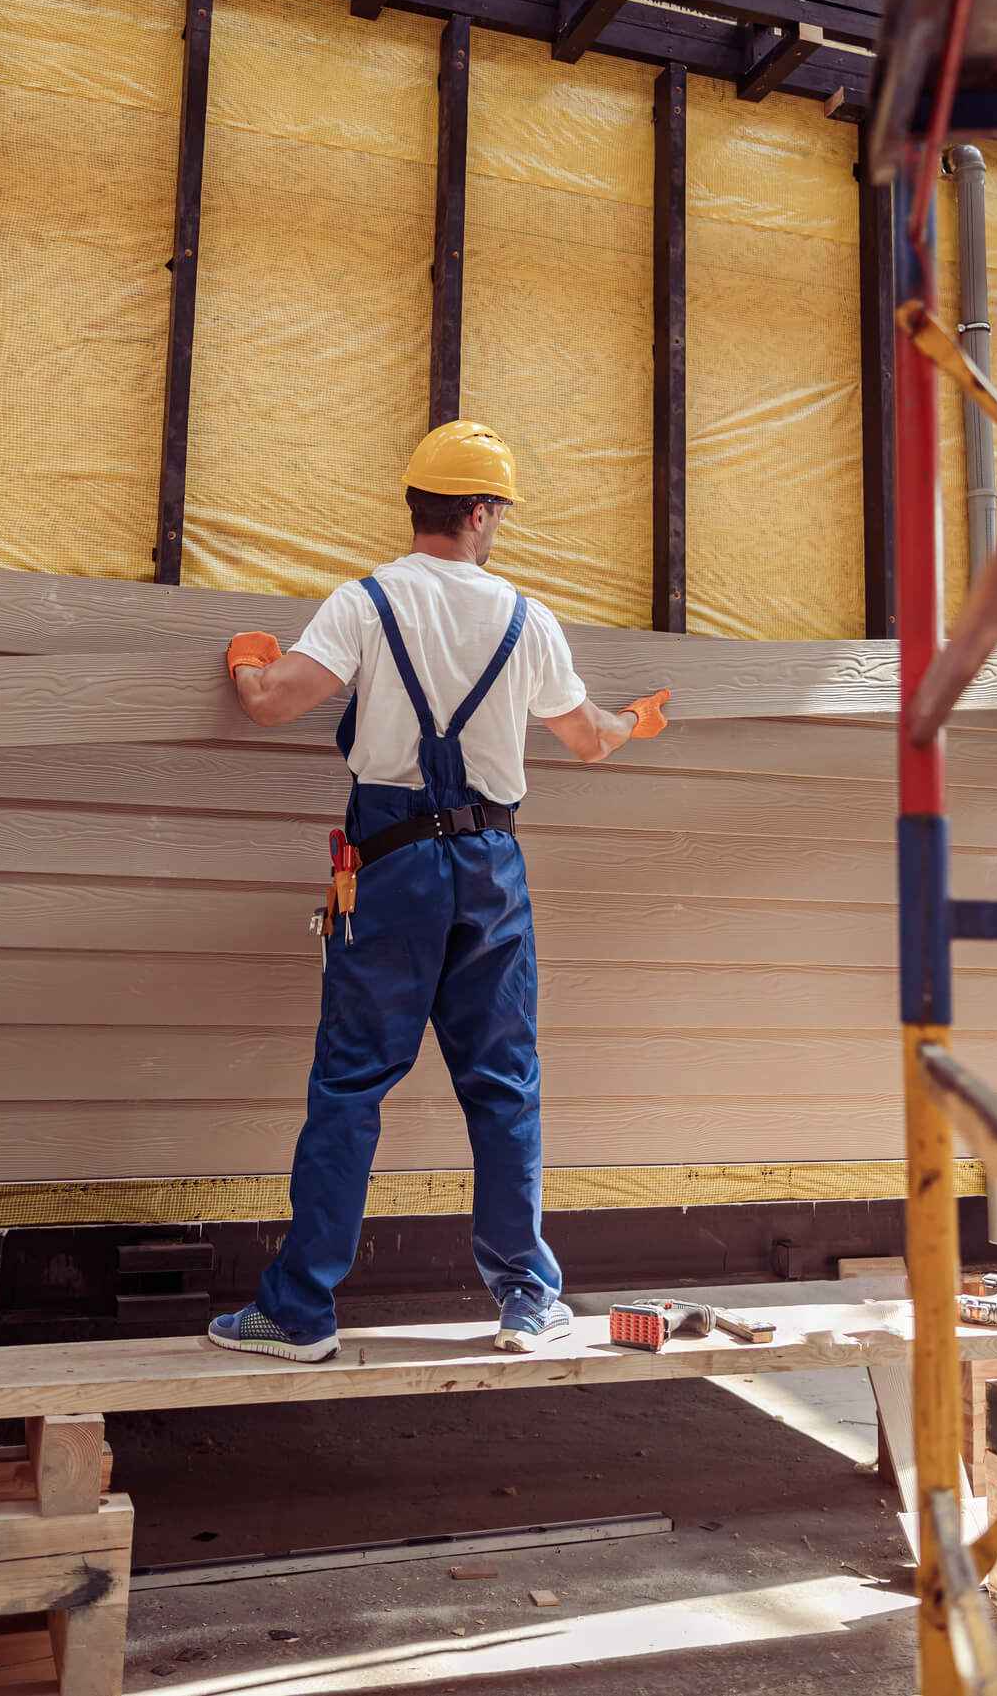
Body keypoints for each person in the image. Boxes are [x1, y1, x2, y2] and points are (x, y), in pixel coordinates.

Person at [206, 421, 670, 1363]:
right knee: (503, 1085)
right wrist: (634, 719)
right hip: (491, 866)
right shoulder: (527, 619)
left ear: (419, 504)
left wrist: (248, 657)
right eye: (497, 508)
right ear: (478, 511)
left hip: (390, 865)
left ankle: (301, 1314)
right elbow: (585, 738)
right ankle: (528, 1300)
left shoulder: (366, 603)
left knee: (350, 1083)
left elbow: (270, 701)